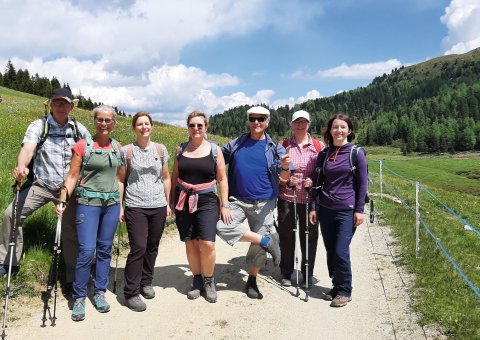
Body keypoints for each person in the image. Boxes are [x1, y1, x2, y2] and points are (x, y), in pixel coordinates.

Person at [0, 88, 90, 292]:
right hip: (41, 184)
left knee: (69, 228)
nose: (60, 106)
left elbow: (91, 150)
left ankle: (73, 276)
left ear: (71, 106)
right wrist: (22, 167)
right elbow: (28, 149)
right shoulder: (39, 125)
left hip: (68, 188)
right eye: (56, 103)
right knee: (11, 214)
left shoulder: (78, 128)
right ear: (50, 104)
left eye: (64, 103)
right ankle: (8, 263)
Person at [57, 105, 125, 321]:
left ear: (114, 123)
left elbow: (120, 179)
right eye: (100, 120)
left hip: (112, 204)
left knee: (104, 249)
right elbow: (72, 176)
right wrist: (63, 199)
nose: (103, 124)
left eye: (108, 120)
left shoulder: (118, 148)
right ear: (94, 121)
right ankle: (79, 296)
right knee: (86, 251)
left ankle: (100, 293)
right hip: (87, 203)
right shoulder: (82, 146)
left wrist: (120, 204)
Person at [216, 106, 290, 299]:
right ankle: (267, 240)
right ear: (248, 120)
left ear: (268, 122)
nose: (257, 122)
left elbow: (284, 178)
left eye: (261, 119)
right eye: (253, 118)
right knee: (223, 227)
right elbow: (216, 155)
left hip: (264, 203)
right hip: (237, 200)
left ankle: (252, 281)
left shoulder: (275, 147)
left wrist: (285, 167)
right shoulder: (237, 143)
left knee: (257, 246)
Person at [171, 111, 231, 303]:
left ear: (205, 127)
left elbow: (222, 178)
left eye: (199, 125)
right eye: (192, 125)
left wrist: (225, 204)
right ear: (187, 127)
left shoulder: (214, 150)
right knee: (191, 242)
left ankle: (209, 280)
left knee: (207, 243)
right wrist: (171, 201)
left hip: (207, 200)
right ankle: (196, 281)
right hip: (183, 199)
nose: (196, 128)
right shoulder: (180, 149)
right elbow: (174, 177)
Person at [309, 113, 367, 308]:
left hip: (346, 211)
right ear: (330, 130)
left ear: (349, 131)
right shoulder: (324, 154)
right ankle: (336, 285)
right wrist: (314, 206)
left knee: (341, 251)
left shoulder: (356, 153)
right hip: (325, 209)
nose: (339, 130)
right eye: (335, 127)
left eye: (343, 127)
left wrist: (359, 210)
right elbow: (318, 183)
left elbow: (362, 184)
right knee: (330, 251)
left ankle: (345, 290)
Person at [121, 111, 171, 312]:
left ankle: (146, 282)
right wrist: (120, 206)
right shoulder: (127, 151)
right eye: (140, 124)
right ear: (134, 127)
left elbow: (166, 178)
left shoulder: (161, 149)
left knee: (152, 246)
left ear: (151, 126)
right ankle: (131, 292)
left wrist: (168, 204)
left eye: (147, 123)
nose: (144, 127)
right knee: (138, 247)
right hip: (135, 205)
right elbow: (120, 180)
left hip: (158, 205)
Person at [278, 110, 322, 287]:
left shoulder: (319, 147)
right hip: (287, 198)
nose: (300, 125)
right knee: (287, 236)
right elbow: (277, 172)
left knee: (310, 237)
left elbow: (325, 174)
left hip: (310, 200)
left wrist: (314, 181)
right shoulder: (283, 145)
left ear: (309, 124)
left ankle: (307, 273)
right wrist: (287, 180)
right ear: (292, 124)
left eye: (304, 122)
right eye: (297, 122)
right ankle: (286, 272)